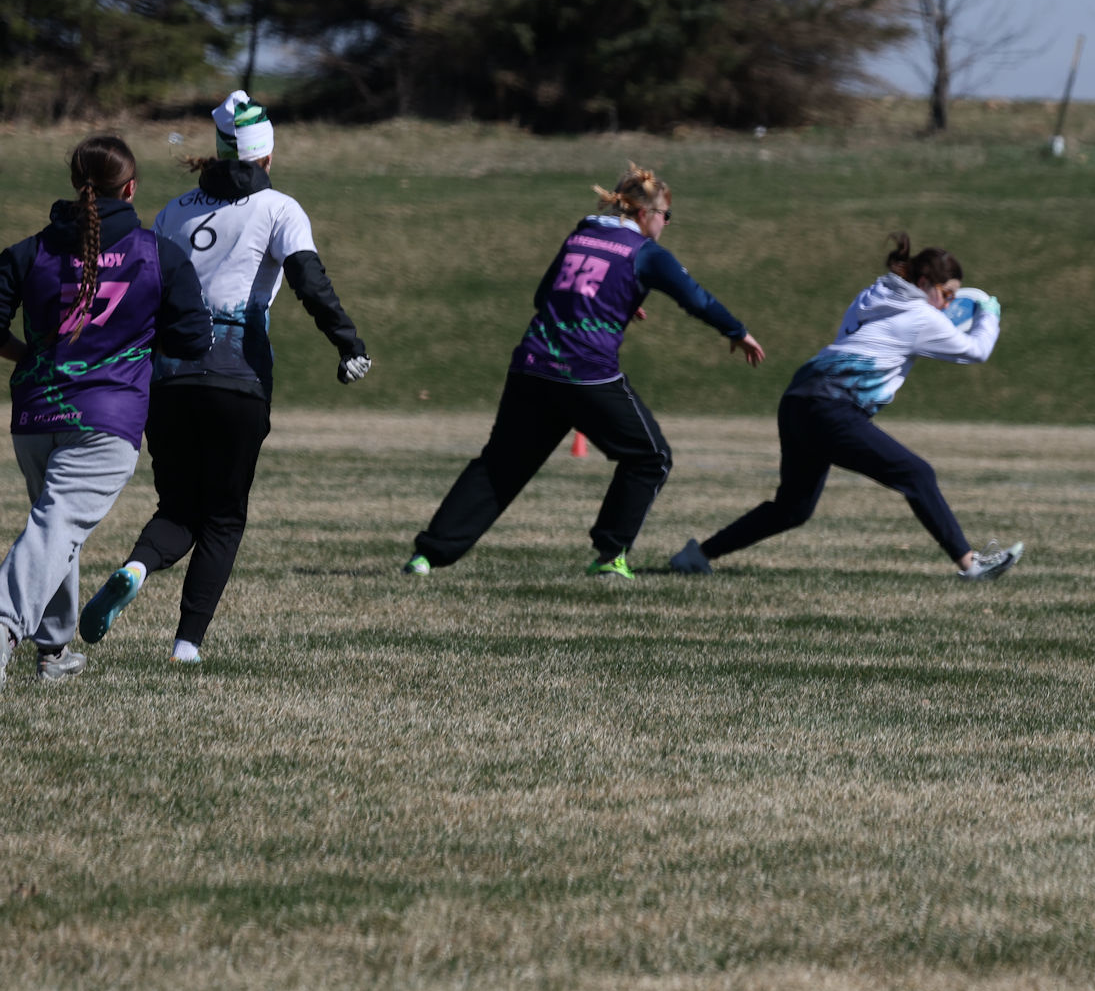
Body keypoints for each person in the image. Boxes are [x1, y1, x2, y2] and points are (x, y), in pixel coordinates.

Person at [79, 92, 372, 665]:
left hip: (168, 380)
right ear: (267, 156)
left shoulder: (174, 211)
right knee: (223, 517)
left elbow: (143, 293)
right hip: (239, 378)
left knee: (177, 508)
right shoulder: (279, 208)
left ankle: (136, 566)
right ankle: (186, 645)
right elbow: (310, 282)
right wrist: (348, 344)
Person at [404, 163, 764, 578]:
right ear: (645, 213)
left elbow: (545, 296)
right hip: (586, 374)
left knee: (500, 465)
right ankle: (610, 556)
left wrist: (610, 300)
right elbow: (696, 298)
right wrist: (737, 331)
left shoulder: (582, 236)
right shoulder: (645, 253)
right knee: (651, 457)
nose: (666, 224)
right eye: (666, 215)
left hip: (532, 366)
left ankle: (426, 556)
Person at [670, 233, 1023, 581]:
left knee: (792, 509)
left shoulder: (875, 294)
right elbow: (976, 351)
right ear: (924, 282)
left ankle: (696, 556)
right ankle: (970, 564)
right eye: (947, 294)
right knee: (916, 474)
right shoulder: (921, 316)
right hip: (831, 405)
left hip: (799, 397)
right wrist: (989, 313)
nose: (948, 305)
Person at [0, 136, 211, 682]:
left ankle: (53, 651)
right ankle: (3, 628)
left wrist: (28, 355)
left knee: (55, 527)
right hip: (106, 421)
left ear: (77, 184)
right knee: (54, 528)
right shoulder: (159, 254)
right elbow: (194, 340)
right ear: (131, 188)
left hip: (35, 417)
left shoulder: (29, 251)